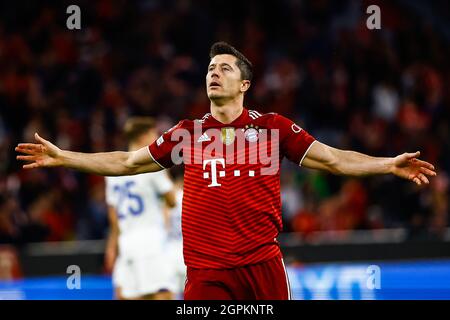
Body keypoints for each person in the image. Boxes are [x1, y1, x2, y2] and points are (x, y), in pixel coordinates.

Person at [16, 42, 437, 300]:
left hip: (261, 267)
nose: (213, 74)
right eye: (210, 69)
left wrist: (387, 163)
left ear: (245, 84)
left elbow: (332, 158)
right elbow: (128, 162)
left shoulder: (272, 127)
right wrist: (64, 157)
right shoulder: (187, 133)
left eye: (224, 69)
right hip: (206, 273)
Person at [103, 117, 177, 300]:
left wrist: (112, 246)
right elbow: (173, 200)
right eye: (154, 134)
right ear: (144, 136)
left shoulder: (112, 170)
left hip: (126, 242)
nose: (156, 139)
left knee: (126, 295)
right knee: (163, 294)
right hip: (150, 240)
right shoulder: (151, 166)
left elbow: (113, 215)